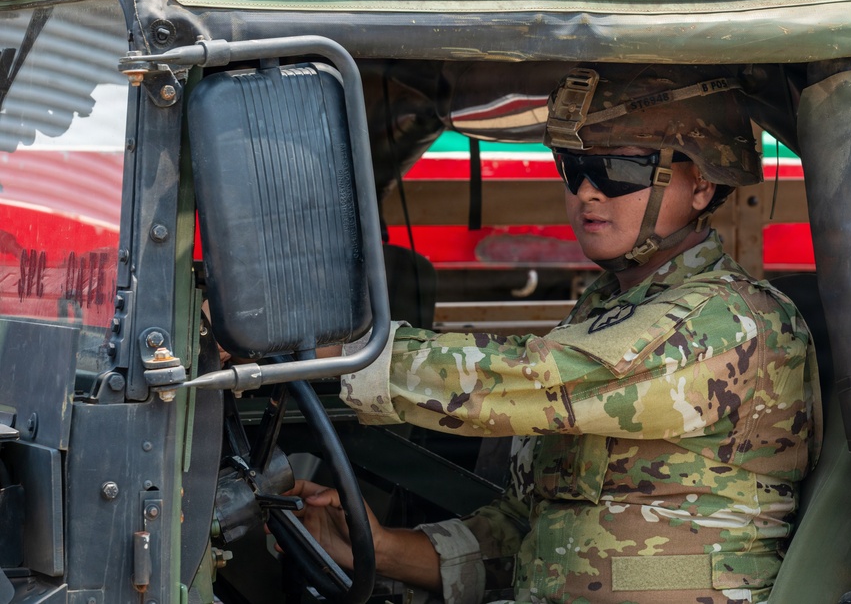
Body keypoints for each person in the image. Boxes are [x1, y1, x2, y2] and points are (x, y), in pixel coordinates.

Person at [286, 64, 821, 604]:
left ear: (700, 185)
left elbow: (535, 380)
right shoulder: (605, 310)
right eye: (574, 166)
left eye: (617, 170)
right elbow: (536, 535)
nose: (588, 192)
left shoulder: (729, 317)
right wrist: (376, 549)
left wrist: (343, 352)